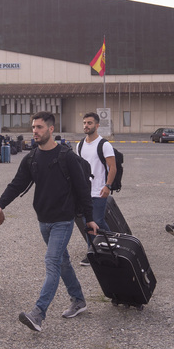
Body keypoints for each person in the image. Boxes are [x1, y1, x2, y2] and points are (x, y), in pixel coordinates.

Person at [0, 111, 97, 332]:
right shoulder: (32, 158)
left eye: (39, 127)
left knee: (52, 263)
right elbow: (16, 184)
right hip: (43, 220)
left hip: (63, 220)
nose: (35, 131)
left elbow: (83, 190)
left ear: (50, 130)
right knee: (63, 261)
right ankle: (78, 300)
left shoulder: (66, 157)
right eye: (33, 128)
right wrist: (0, 204)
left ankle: (38, 314)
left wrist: (90, 220)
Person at [75, 112, 116, 265]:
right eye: (85, 123)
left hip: (99, 190)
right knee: (88, 222)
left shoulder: (104, 144)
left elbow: (113, 168)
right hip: (84, 191)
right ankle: (109, 242)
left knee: (96, 220)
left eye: (90, 123)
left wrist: (108, 186)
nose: (86, 125)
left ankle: (93, 252)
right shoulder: (79, 145)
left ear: (97, 125)